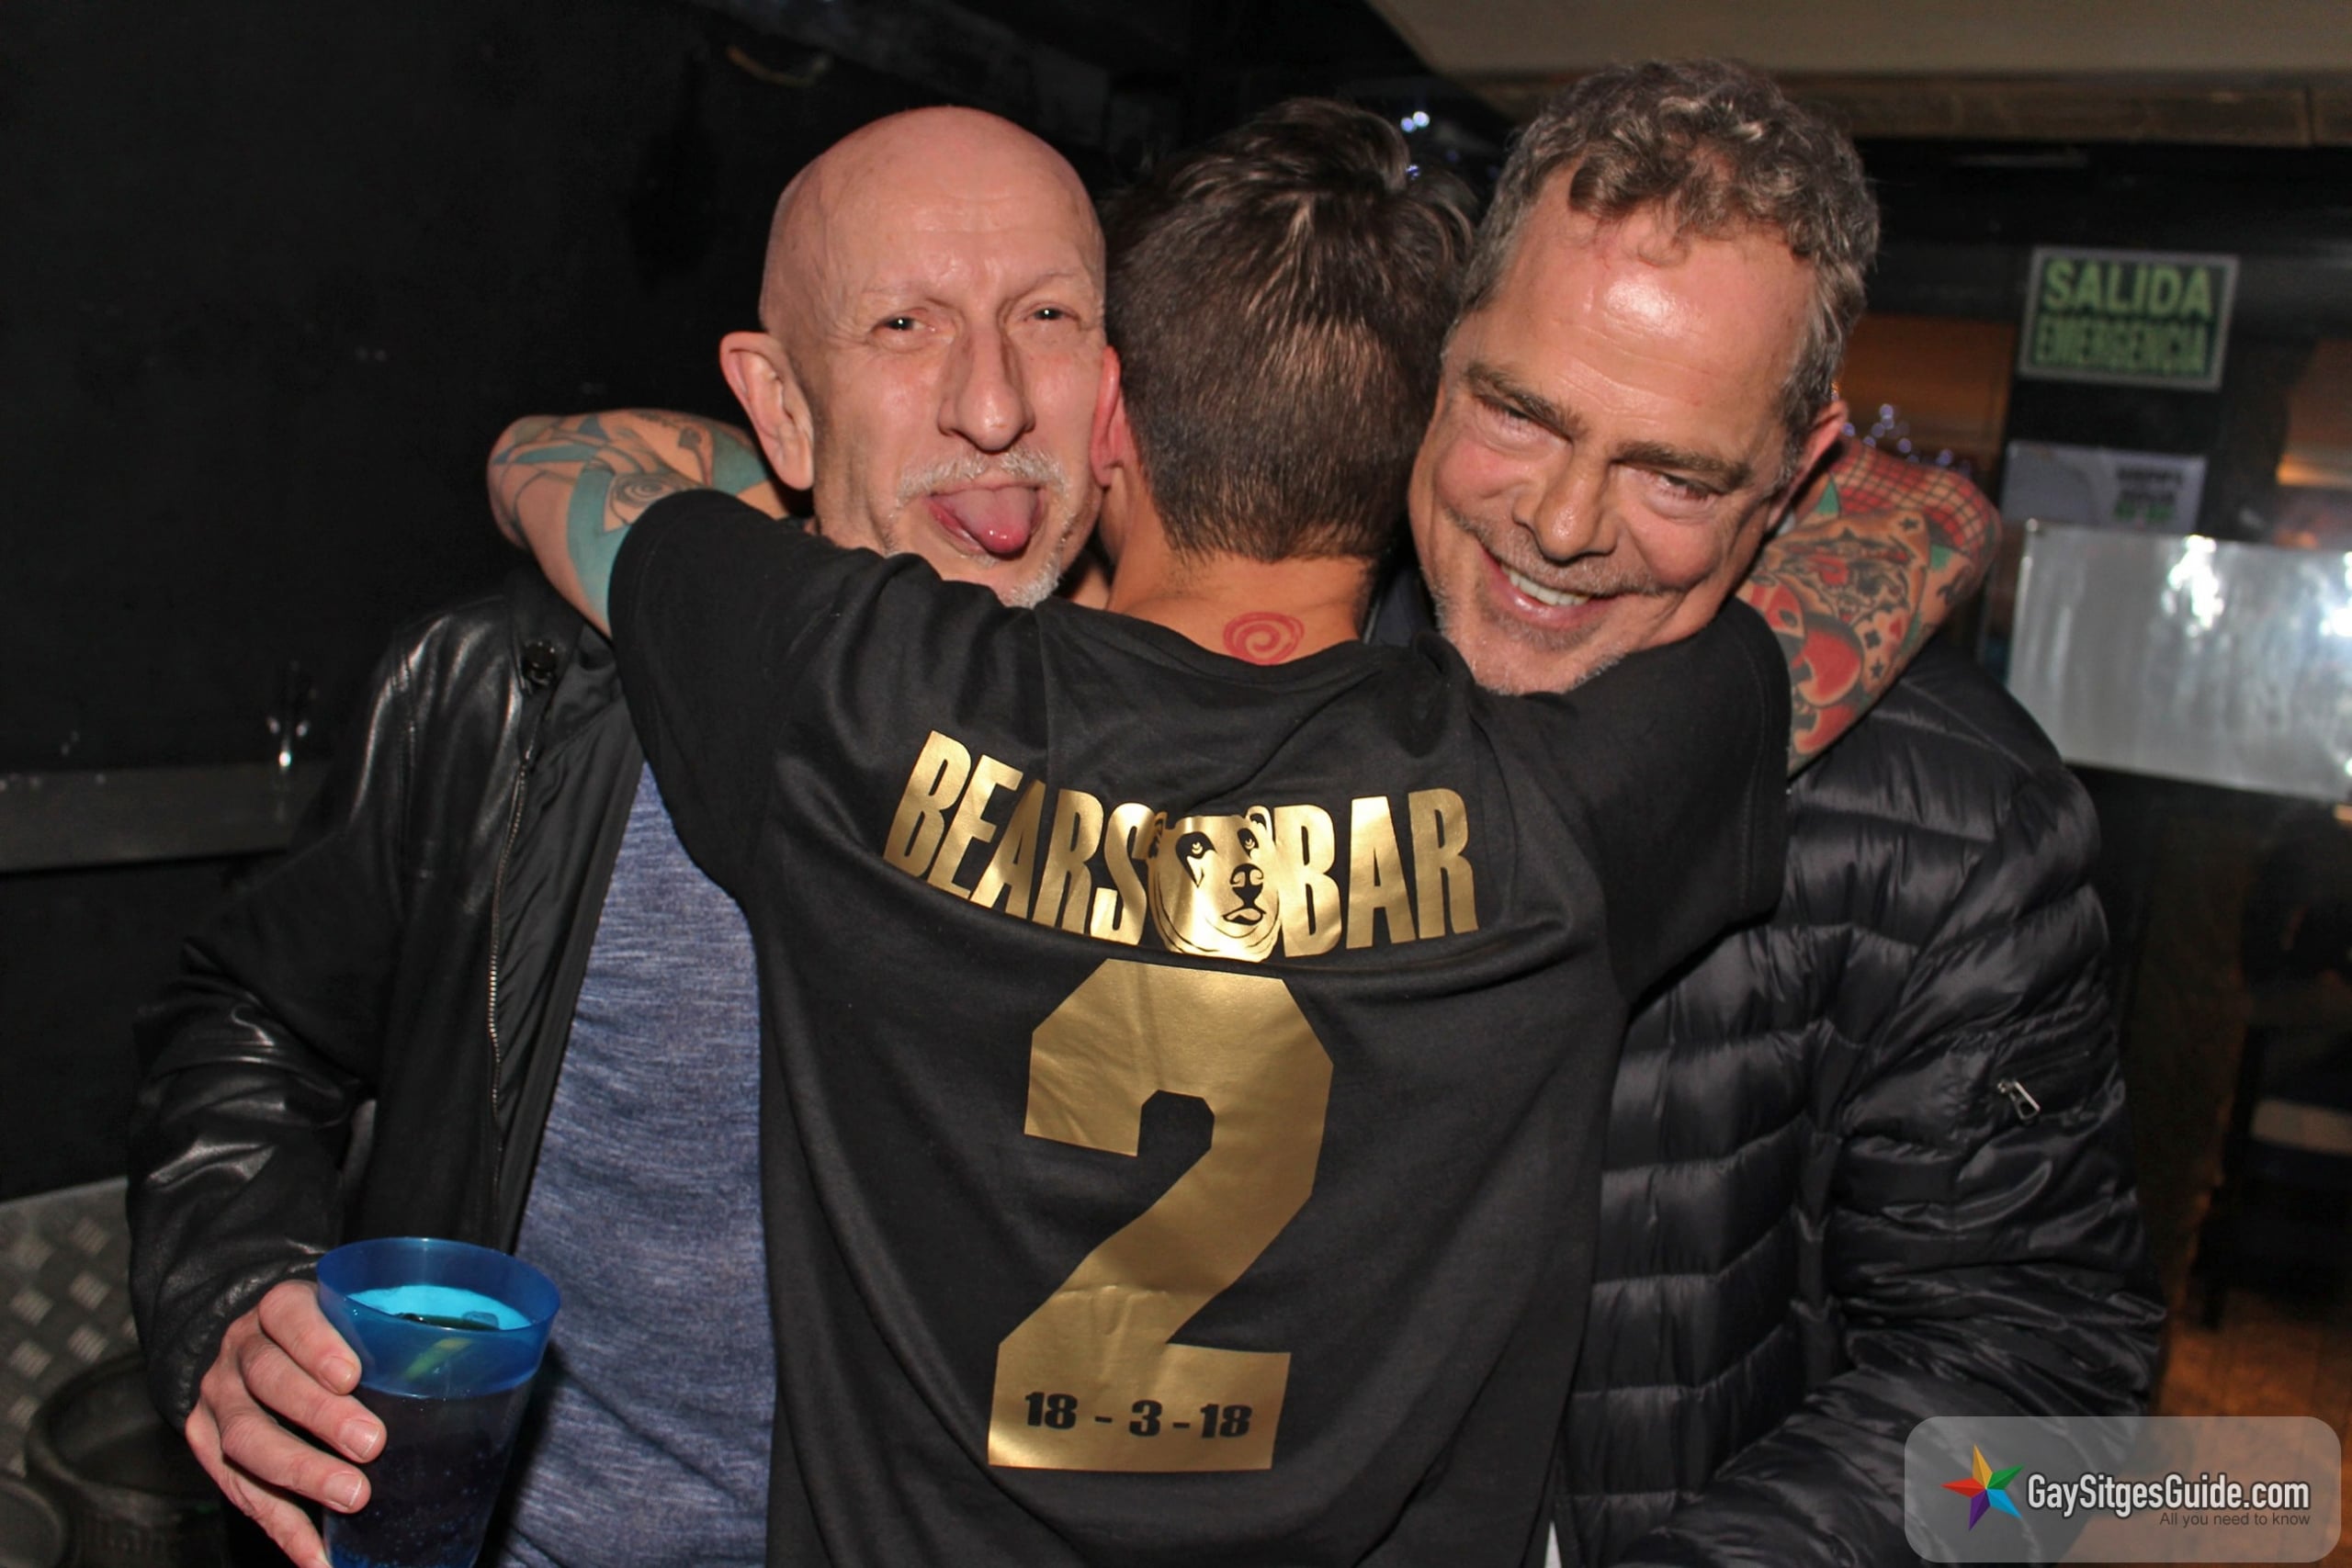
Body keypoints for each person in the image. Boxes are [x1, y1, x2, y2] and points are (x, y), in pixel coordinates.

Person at [489, 99, 1981, 1564]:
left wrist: (798, 503)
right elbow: (1909, 526)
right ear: (1422, 439)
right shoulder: (1571, 806)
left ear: (1110, 421)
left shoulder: (850, 692)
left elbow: (549, 463)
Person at [127, 106, 1106, 1568]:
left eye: (1047, 316)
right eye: (904, 324)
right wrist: (234, 1293)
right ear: (780, 408)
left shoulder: (1219, 764)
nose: (991, 403)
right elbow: (253, 1021)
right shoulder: (511, 695)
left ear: (1113, 379)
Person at [1379, 61, 2162, 1565]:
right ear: (1442, 353)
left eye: (1674, 476)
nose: (1559, 524)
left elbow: (2048, 1393)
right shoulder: (1266, 649)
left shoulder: (1961, 836)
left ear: (1799, 473)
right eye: (1520, 413)